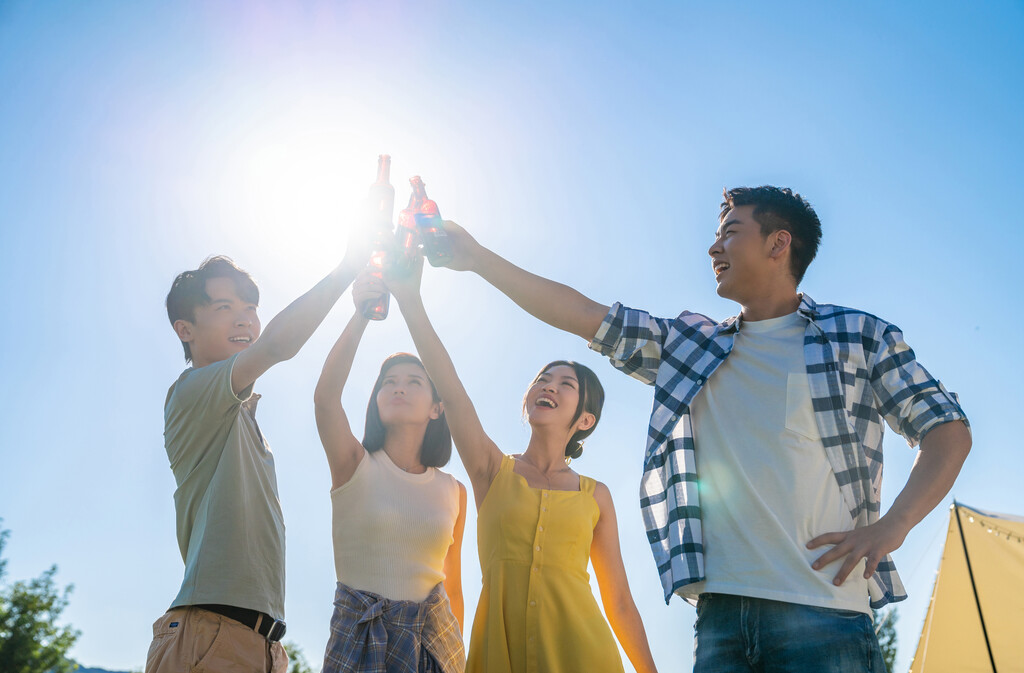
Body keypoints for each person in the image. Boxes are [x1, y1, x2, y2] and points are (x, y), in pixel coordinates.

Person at [436, 185, 972, 671]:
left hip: (825, 617)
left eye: (730, 234)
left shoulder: (857, 336)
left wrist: (892, 528)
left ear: (778, 243)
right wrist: (477, 259)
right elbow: (584, 314)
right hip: (720, 626)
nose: (714, 249)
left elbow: (947, 428)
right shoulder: (691, 348)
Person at [379, 255, 660, 673]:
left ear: (585, 420)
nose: (549, 386)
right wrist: (410, 300)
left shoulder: (595, 496)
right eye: (543, 380)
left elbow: (618, 600)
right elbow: (453, 393)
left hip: (585, 658)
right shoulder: (492, 470)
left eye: (566, 384)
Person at [147, 242, 369, 673]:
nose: (245, 318)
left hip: (261, 643)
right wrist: (347, 269)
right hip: (210, 632)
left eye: (251, 307)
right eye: (225, 306)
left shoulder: (242, 418)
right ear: (184, 329)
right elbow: (275, 346)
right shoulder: (191, 392)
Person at [313, 276, 467, 673]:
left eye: (414, 382)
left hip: (434, 648)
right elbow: (326, 399)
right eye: (388, 383)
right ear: (376, 400)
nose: (398, 388)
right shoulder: (354, 464)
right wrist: (362, 314)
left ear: (437, 408)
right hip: (358, 641)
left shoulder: (454, 491)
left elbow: (452, 584)